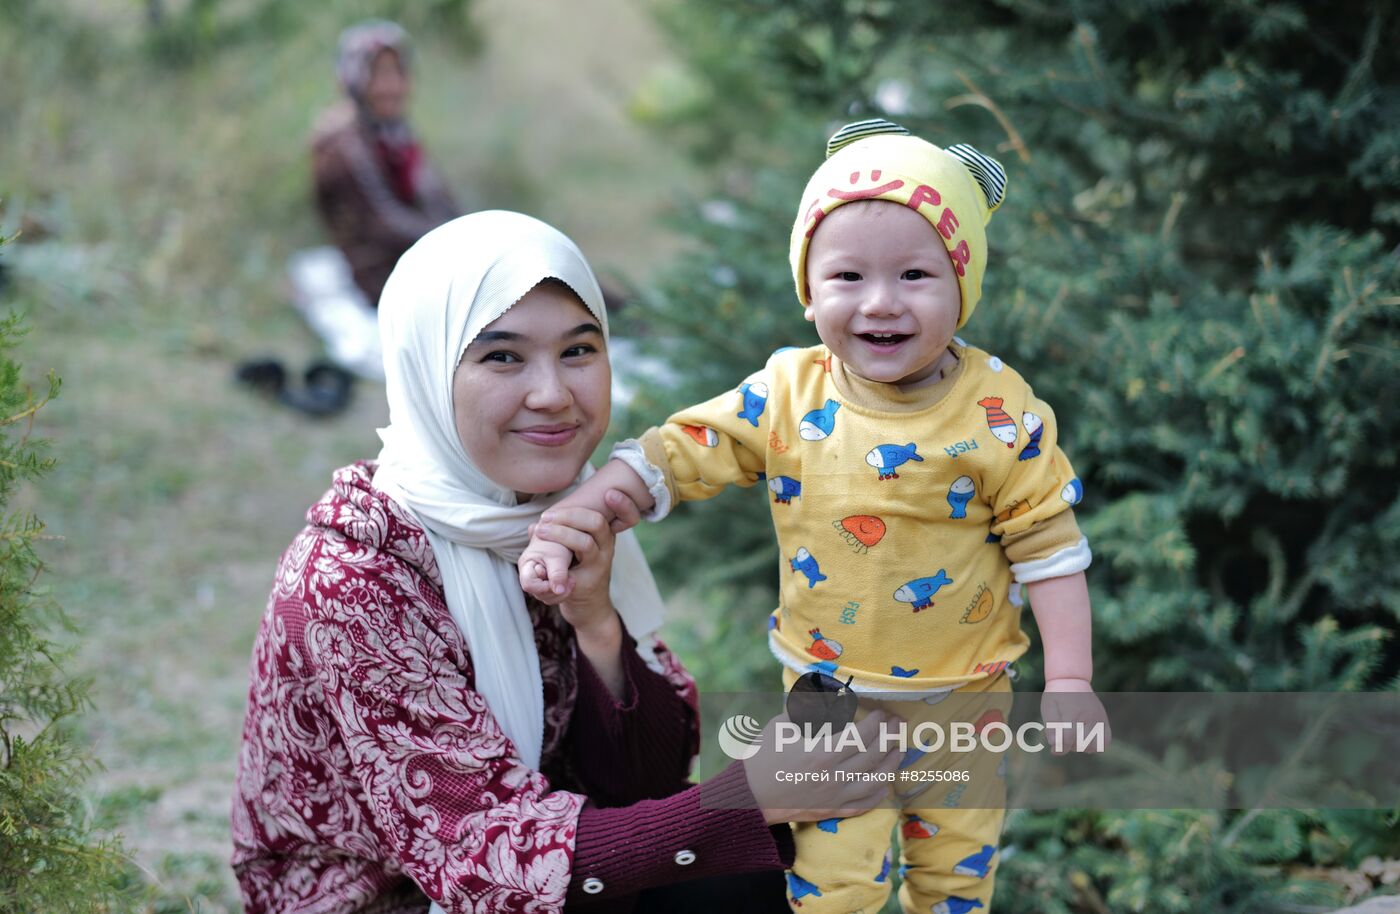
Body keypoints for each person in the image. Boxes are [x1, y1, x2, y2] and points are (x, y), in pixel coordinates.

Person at [230, 211, 901, 914]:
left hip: (541, 874)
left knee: (760, 869)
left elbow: (652, 782)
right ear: (425, 370)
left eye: (580, 351)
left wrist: (598, 629)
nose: (553, 394)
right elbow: (480, 861)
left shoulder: (550, 514)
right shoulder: (354, 578)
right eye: (502, 357)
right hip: (397, 902)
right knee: (734, 835)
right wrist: (750, 795)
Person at [519, 119, 1111, 914]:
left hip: (968, 702)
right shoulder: (789, 396)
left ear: (963, 283)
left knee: (956, 878)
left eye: (914, 274)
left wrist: (1070, 680)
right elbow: (684, 449)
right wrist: (593, 500)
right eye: (846, 277)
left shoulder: (1000, 412)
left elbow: (1050, 548)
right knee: (832, 883)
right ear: (808, 288)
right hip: (830, 701)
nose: (880, 304)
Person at [311, 20, 458, 308]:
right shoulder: (341, 143)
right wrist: (454, 241)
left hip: (414, 268)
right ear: (354, 78)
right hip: (377, 282)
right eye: (378, 75)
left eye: (397, 73)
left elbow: (438, 197)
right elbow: (382, 223)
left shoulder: (397, 134)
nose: (391, 87)